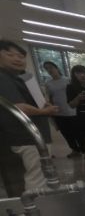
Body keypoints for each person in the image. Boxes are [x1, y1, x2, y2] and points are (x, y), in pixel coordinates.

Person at [0, 40, 58, 193]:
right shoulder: (3, 78)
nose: (17, 59)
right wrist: (44, 112)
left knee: (39, 174)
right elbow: (18, 107)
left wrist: (44, 106)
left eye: (21, 56)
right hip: (26, 137)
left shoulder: (21, 78)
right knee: (37, 178)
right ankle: (37, 206)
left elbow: (35, 102)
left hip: (33, 136)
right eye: (10, 55)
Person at [43, 61, 85, 158]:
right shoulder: (48, 83)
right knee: (66, 134)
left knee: (78, 132)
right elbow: (49, 98)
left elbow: (76, 94)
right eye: (46, 68)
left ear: (57, 68)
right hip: (59, 113)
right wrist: (51, 111)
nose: (49, 70)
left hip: (72, 111)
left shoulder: (68, 80)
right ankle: (75, 150)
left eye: (51, 67)